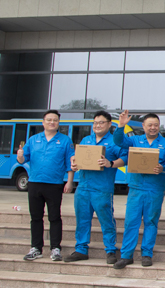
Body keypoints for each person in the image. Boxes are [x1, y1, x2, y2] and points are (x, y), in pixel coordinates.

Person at [64, 111, 127, 264]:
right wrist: (74, 163)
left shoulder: (114, 141)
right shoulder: (86, 140)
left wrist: (110, 163)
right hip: (83, 187)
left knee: (106, 221)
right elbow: (77, 157)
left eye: (101, 122)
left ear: (109, 124)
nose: (97, 125)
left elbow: (125, 158)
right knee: (82, 220)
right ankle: (81, 249)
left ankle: (110, 250)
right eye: (95, 123)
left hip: (102, 189)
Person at [112, 111, 165, 269]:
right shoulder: (134, 140)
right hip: (136, 187)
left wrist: (163, 168)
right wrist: (121, 125)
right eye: (150, 125)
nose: (153, 128)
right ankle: (126, 256)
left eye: (156, 125)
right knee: (131, 222)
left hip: (155, 189)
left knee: (151, 221)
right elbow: (118, 141)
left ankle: (146, 254)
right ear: (143, 126)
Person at [17, 110, 75, 262]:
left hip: (54, 184)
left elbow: (70, 163)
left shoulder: (65, 141)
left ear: (58, 123)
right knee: (36, 217)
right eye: (49, 120)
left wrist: (69, 182)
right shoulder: (33, 139)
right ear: (43, 122)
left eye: (55, 120)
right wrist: (20, 156)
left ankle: (55, 248)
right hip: (35, 183)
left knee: (54, 217)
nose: (52, 122)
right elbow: (23, 160)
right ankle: (36, 248)